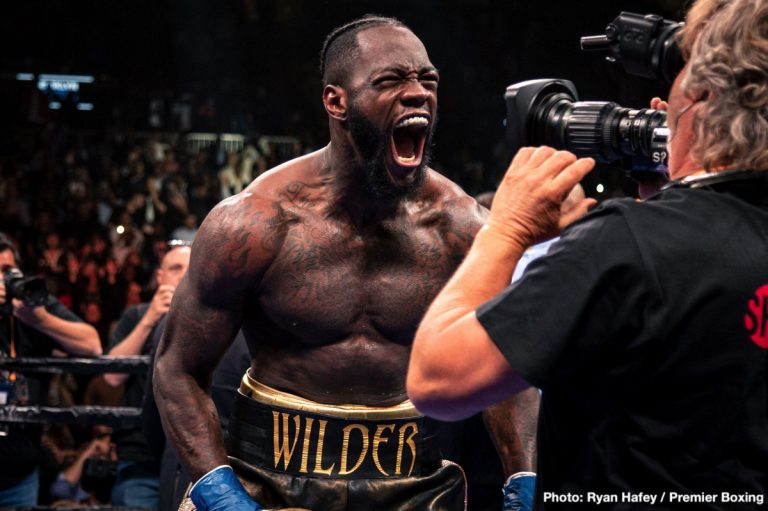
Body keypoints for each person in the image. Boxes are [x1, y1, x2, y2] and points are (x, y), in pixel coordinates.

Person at [154, 15, 537, 511]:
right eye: (391, 80)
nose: (418, 92)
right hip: (266, 477)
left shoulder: (460, 229)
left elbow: (505, 362)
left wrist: (523, 478)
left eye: (428, 79)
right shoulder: (255, 223)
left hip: (412, 483)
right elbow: (177, 368)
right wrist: (218, 491)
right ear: (336, 101)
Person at [407, 0, 768, 509]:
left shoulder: (623, 246)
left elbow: (439, 378)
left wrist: (506, 230)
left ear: (702, 100)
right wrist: (672, 201)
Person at [0, 232, 102, 507]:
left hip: (19, 472)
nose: (2, 279)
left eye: (7, 271)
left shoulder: (29, 305)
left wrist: (40, 319)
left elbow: (92, 345)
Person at [103, 240, 192, 509]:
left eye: (190, 268)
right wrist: (150, 319)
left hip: (189, 453)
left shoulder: (212, 320)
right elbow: (112, 377)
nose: (184, 275)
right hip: (140, 455)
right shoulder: (136, 316)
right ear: (160, 276)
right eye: (176, 268)